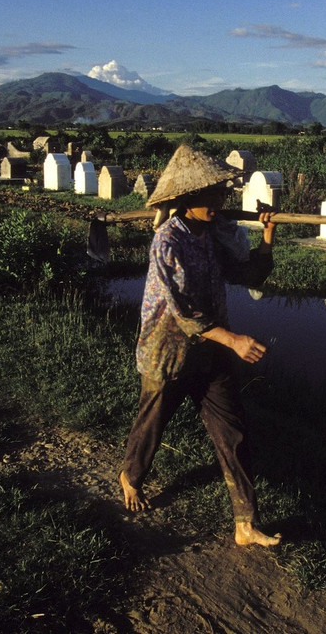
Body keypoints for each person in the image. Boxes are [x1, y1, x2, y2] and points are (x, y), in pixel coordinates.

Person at [119, 145, 282, 547]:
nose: (219, 201)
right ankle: (131, 475)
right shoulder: (167, 242)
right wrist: (234, 339)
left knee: (233, 434)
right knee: (153, 422)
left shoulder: (211, 236)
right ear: (187, 199)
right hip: (169, 351)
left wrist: (267, 237)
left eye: (220, 194)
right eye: (210, 195)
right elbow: (183, 311)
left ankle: (245, 523)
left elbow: (249, 275)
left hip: (210, 352)